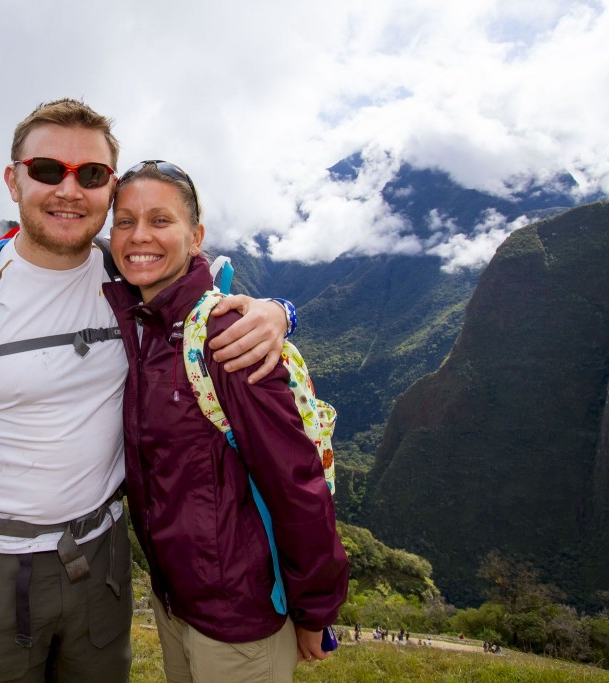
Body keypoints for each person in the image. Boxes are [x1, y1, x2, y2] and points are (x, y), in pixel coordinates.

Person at [0, 99, 292, 683]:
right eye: (49, 170)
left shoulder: (127, 278)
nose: (69, 191)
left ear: (109, 189)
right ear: (14, 179)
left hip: (101, 564)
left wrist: (278, 311)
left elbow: (204, 294)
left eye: (92, 175)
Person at [102, 160, 349, 683]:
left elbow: (296, 481)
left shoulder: (227, 337)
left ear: (196, 238)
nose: (139, 235)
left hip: (240, 619)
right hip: (175, 603)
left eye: (160, 220)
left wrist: (315, 609)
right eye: (124, 221)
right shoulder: (140, 324)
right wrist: (284, 308)